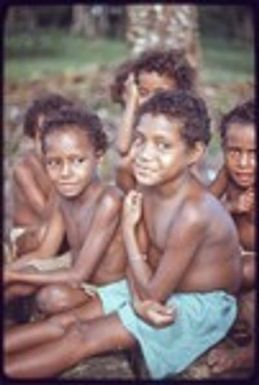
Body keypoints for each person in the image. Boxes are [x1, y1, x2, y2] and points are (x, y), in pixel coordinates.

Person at [4, 91, 242, 379]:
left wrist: (129, 232)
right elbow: (137, 264)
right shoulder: (148, 188)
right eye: (140, 139)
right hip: (149, 283)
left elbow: (154, 292)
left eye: (163, 145)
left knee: (80, 337)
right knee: (65, 321)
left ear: (194, 153)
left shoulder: (193, 212)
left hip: (199, 304)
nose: (144, 154)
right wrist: (140, 299)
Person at [4, 105, 127, 313]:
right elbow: (45, 251)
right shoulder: (63, 194)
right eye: (54, 163)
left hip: (103, 287)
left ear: (99, 157)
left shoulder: (109, 200)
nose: (65, 173)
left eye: (78, 161)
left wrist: (12, 275)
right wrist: (9, 271)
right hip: (72, 267)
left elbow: (79, 275)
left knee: (51, 298)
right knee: (15, 287)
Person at [207, 100, 255, 375]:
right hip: (236, 276)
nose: (244, 163)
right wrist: (232, 207)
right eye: (235, 152)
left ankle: (248, 355)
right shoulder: (229, 175)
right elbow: (199, 209)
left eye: (254, 153)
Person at [111, 48, 197, 192]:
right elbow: (122, 148)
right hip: (147, 185)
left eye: (160, 93)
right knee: (124, 166)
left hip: (175, 188)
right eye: (144, 93)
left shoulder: (179, 121)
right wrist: (132, 100)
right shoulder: (141, 120)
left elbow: (123, 150)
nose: (151, 100)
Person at [9, 93, 73, 259]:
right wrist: (58, 174)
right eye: (41, 136)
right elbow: (46, 214)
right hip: (30, 233)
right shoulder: (24, 170)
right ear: (32, 137)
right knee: (44, 234)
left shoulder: (73, 164)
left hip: (63, 230)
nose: (48, 145)